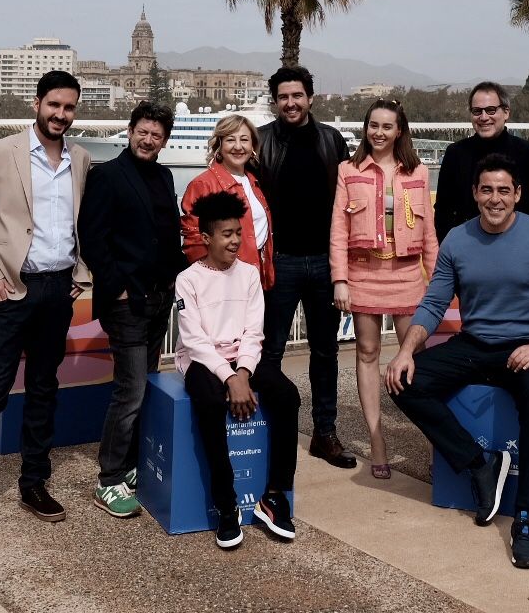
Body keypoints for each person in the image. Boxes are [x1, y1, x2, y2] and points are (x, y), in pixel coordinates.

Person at [384, 154, 529, 570]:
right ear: (475, 193)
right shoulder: (458, 239)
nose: (496, 199)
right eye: (487, 190)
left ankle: (526, 519)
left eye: (504, 191)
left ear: (518, 195)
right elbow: (436, 300)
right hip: (475, 344)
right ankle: (479, 463)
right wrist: (406, 351)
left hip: (527, 346)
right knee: (405, 382)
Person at [0, 70, 91, 546]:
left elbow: (83, 226)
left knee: (45, 388)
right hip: (11, 289)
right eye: (54, 105)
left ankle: (34, 483)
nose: (61, 115)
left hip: (58, 291)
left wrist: (81, 278)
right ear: (37, 104)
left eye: (69, 108)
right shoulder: (2, 152)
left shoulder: (82, 159)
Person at [77, 100, 185, 519]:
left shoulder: (164, 176)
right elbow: (92, 237)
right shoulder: (106, 175)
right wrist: (116, 288)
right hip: (127, 301)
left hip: (158, 297)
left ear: (164, 141)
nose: (148, 139)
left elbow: (167, 236)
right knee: (131, 389)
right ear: (130, 130)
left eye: (157, 135)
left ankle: (133, 464)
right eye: (143, 131)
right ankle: (108, 478)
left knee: (149, 382)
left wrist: (180, 275)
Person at [175, 191, 301, 551]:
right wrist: (229, 378)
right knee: (211, 403)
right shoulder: (188, 279)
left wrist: (243, 372)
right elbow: (194, 340)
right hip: (202, 361)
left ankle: (273, 496)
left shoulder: (248, 274)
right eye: (226, 234)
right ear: (206, 238)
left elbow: (253, 331)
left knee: (287, 395)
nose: (234, 241)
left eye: (237, 233)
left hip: (242, 358)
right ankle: (226, 503)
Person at [329, 100, 438, 479]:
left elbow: (428, 236)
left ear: (399, 131)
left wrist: (437, 282)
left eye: (386, 126)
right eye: (373, 125)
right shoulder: (349, 170)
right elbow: (339, 232)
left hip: (408, 275)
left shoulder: (419, 173)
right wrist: (339, 279)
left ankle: (432, 439)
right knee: (367, 351)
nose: (378, 132)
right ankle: (377, 441)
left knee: (417, 356)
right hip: (364, 272)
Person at [253, 66, 355, 468]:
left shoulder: (332, 140)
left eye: (297, 95)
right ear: (275, 101)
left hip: (325, 262)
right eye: (283, 97)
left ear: (310, 97)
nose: (290, 103)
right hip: (280, 261)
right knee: (271, 350)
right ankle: (266, 428)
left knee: (326, 352)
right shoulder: (260, 141)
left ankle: (324, 433)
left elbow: (349, 202)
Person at [433, 81, 529, 241]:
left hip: (520, 247)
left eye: (490, 110)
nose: (483, 117)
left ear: (506, 112)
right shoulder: (456, 154)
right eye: (477, 111)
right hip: (468, 247)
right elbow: (443, 210)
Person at [180, 113, 277, 289]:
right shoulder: (203, 184)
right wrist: (214, 278)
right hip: (223, 282)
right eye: (231, 140)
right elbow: (194, 238)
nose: (238, 147)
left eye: (244, 140)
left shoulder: (254, 181)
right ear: (220, 145)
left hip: (254, 279)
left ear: (253, 146)